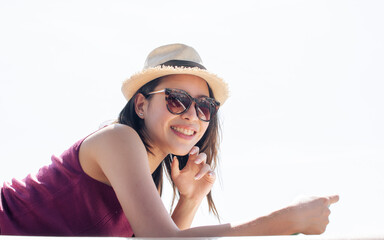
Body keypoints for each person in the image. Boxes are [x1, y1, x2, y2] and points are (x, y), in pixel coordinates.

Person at [0, 43, 339, 237]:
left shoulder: (147, 177)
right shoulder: (118, 139)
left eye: (205, 106)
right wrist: (287, 220)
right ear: (142, 104)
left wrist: (189, 200)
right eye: (177, 99)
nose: (192, 114)